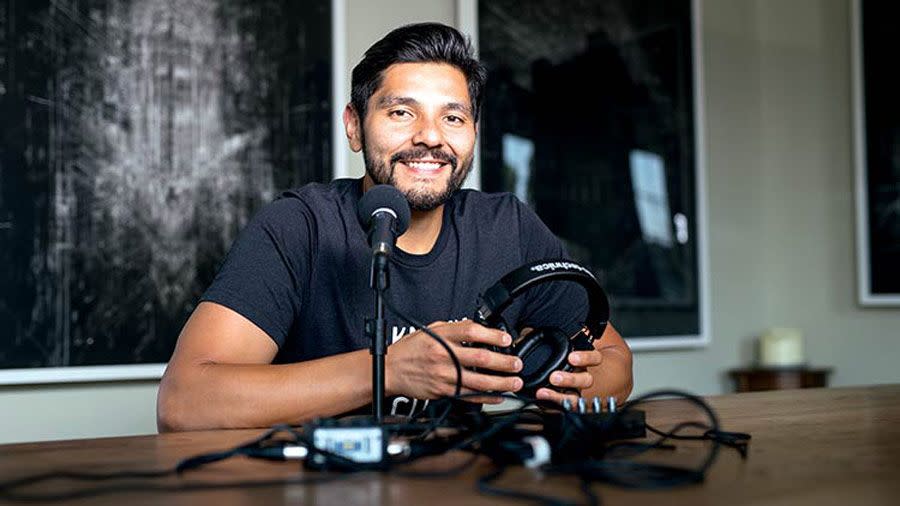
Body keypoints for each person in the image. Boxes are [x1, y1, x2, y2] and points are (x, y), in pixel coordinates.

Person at [157, 22, 632, 432]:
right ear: (354, 126)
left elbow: (616, 362)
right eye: (402, 112)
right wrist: (388, 371)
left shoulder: (508, 227)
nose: (430, 136)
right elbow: (184, 403)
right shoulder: (299, 226)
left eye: (453, 116)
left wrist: (559, 382)